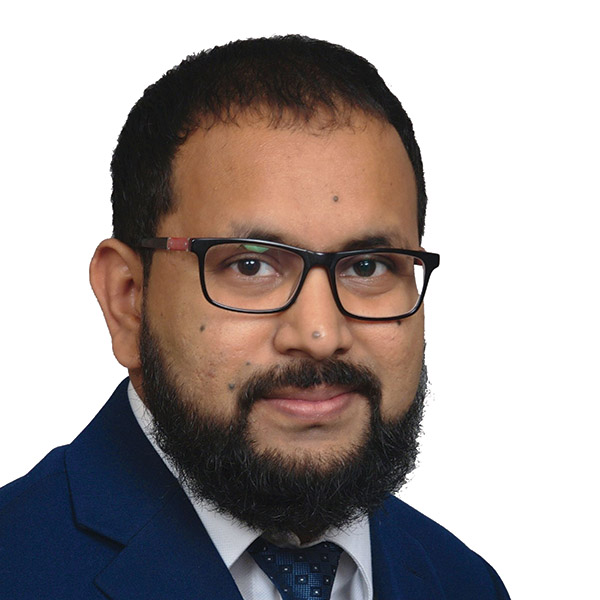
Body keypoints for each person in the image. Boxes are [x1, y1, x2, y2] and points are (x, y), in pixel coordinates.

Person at [0, 35, 510, 599]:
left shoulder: (464, 583)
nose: (320, 335)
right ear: (128, 300)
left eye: (367, 266)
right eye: (250, 265)